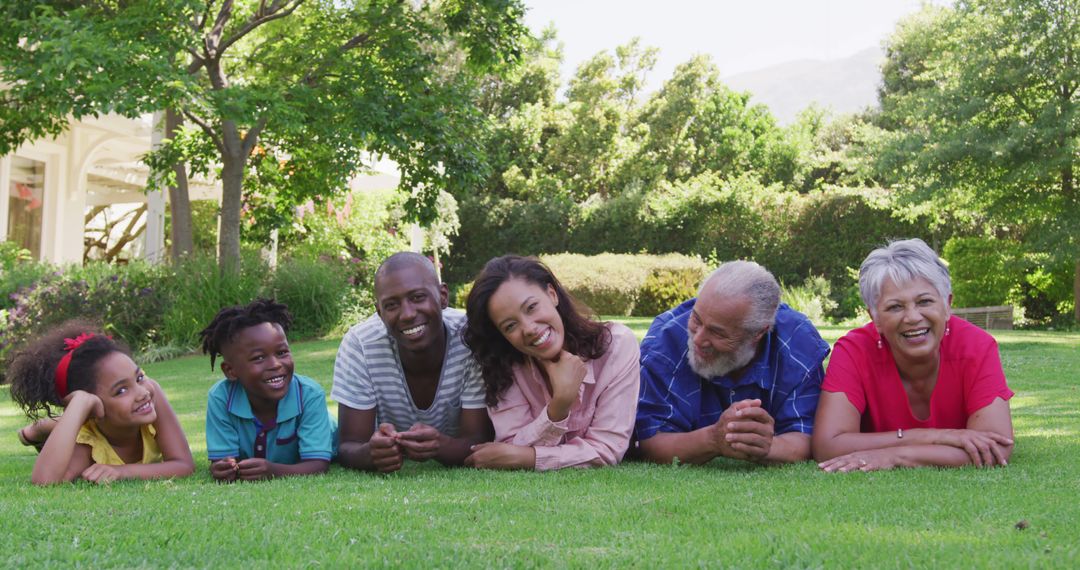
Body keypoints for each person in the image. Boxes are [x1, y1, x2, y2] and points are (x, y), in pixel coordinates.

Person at [813, 238, 1015, 472]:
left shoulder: (976, 346)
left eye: (924, 301)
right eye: (895, 307)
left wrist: (896, 455)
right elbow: (827, 446)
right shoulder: (853, 351)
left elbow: (996, 446)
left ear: (947, 305)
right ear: (875, 317)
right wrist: (938, 437)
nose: (912, 317)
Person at [635, 260, 830, 465]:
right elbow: (649, 441)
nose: (699, 339)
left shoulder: (798, 343)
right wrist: (713, 439)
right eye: (696, 320)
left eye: (717, 332)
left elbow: (806, 437)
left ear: (759, 333)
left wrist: (762, 444)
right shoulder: (666, 340)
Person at [462, 255, 640, 470]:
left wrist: (527, 458)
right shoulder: (505, 365)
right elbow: (510, 445)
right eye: (510, 326)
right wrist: (559, 408)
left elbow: (607, 448)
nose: (528, 328)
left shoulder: (616, 346)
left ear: (552, 294)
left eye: (531, 307)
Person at [332, 252, 490, 473]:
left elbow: (480, 440)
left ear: (443, 296)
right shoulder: (360, 344)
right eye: (391, 305)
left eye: (417, 297)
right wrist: (370, 453)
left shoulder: (471, 338)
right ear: (379, 312)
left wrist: (441, 446)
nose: (406, 314)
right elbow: (348, 445)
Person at [7, 320, 195, 485]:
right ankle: (42, 428)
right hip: (90, 425)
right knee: (71, 427)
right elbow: (44, 481)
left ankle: (47, 425)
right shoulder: (88, 443)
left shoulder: (150, 391)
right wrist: (80, 402)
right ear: (92, 407)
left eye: (138, 377)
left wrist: (122, 471)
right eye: (121, 390)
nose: (142, 392)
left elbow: (183, 464)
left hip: (99, 421)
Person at [200, 298, 336, 482]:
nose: (275, 364)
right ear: (230, 371)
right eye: (258, 358)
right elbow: (222, 460)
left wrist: (274, 471)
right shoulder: (221, 398)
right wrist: (224, 468)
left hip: (334, 439)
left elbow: (318, 465)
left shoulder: (309, 395)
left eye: (282, 353)